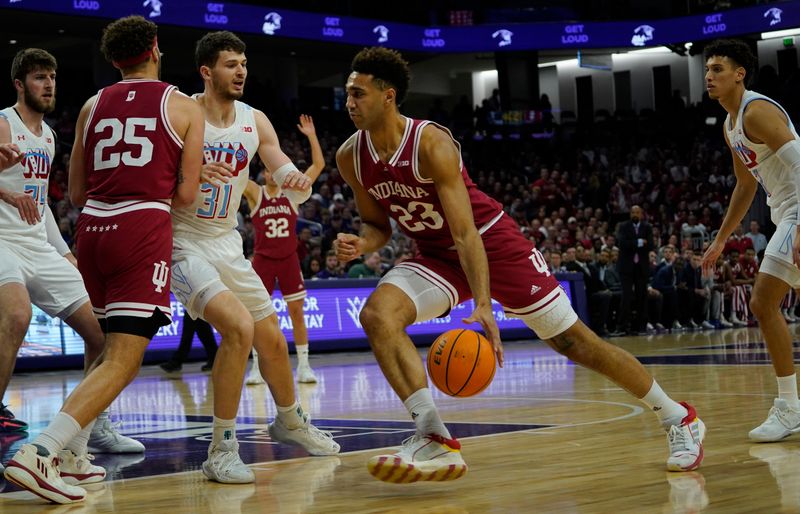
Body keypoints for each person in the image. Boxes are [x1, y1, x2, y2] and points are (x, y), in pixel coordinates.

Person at [334, 47, 704, 484]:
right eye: (347, 94)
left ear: (388, 95)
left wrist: (485, 306)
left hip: (493, 244)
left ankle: (679, 418)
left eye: (358, 94)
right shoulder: (350, 156)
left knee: (574, 343)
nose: (349, 103)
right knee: (378, 315)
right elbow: (377, 224)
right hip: (436, 255)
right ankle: (433, 435)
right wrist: (363, 242)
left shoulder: (431, 143)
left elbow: (467, 233)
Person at [4, 16, 204, 504]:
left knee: (101, 341)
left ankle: (74, 450)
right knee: (123, 357)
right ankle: (41, 453)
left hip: (91, 229)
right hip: (139, 229)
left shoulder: (91, 106)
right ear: (155, 48)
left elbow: (72, 192)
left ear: (113, 60)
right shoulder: (183, 106)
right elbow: (187, 196)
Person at [170, 30, 339, 484]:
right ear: (207, 72)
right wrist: (188, 170)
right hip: (181, 241)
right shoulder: (180, 113)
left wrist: (294, 179)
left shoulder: (254, 119)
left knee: (273, 340)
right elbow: (151, 173)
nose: (241, 70)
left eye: (243, 62)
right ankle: (221, 449)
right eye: (230, 63)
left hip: (227, 241)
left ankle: (289, 420)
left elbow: (279, 164)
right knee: (239, 329)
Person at [701, 38, 800, 442]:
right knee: (765, 303)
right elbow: (745, 185)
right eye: (707, 70)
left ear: (739, 74)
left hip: (797, 208)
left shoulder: (756, 112)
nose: (709, 76)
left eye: (718, 69)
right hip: (785, 212)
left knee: (762, 301)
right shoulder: (730, 126)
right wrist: (722, 238)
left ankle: (789, 406)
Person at [244, 114, 325, 385]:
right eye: (266, 169)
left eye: (273, 169)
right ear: (263, 171)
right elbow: (236, 175)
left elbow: (319, 165)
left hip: (288, 259)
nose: (271, 172)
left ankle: (303, 365)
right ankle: (256, 367)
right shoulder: (256, 192)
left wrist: (312, 135)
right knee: (257, 315)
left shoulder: (292, 192)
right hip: (263, 260)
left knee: (297, 314)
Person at [616, 205, 653, 335]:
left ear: (641, 214)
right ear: (630, 214)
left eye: (637, 212)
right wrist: (639, 242)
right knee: (626, 296)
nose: (635, 214)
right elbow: (622, 244)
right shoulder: (623, 226)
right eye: (633, 212)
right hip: (626, 267)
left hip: (641, 267)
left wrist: (632, 243)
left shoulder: (647, 227)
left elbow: (651, 245)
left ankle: (641, 326)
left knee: (642, 297)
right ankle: (623, 327)